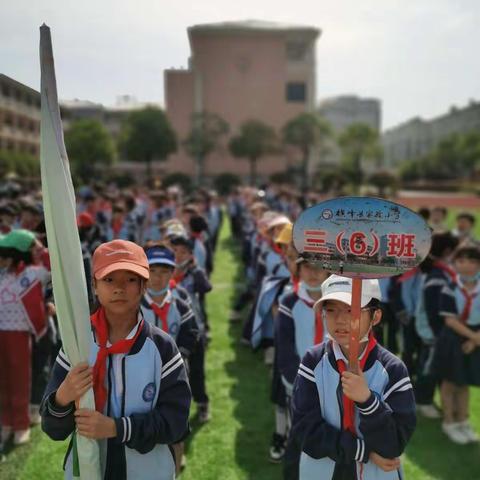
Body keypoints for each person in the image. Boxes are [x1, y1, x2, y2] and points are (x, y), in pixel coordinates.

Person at [41, 240, 191, 479]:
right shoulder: (77, 346)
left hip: (148, 471)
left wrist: (116, 428)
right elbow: (52, 429)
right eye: (109, 279)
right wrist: (62, 397)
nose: (119, 288)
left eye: (131, 279)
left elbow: (176, 423)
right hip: (88, 471)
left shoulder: (161, 347)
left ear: (144, 285)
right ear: (95, 286)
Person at [290, 275, 416, 480]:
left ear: (375, 317)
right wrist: (363, 452)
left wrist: (368, 401)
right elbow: (304, 429)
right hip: (320, 471)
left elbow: (394, 443)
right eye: (330, 310)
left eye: (351, 310)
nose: (339, 320)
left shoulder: (393, 369)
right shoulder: (312, 361)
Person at [276, 258, 330, 477]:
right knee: (300, 436)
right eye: (307, 266)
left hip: (334, 382)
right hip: (299, 384)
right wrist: (297, 381)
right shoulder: (289, 301)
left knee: (330, 434)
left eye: (319, 267)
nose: (313, 273)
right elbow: (285, 346)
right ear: (297, 269)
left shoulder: (338, 302)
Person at [0, 229, 50, 446]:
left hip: (19, 334)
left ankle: (20, 425)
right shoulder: (2, 274)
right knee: (2, 381)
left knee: (20, 380)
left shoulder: (33, 273)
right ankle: (5, 423)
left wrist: (37, 245)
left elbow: (54, 268)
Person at [433, 245, 480, 444]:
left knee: (465, 381)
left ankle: (463, 420)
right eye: (461, 261)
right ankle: (449, 421)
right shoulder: (449, 288)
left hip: (475, 336)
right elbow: (450, 320)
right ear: (455, 264)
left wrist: (475, 339)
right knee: (450, 380)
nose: (467, 266)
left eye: (472, 261)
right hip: (453, 338)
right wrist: (474, 338)